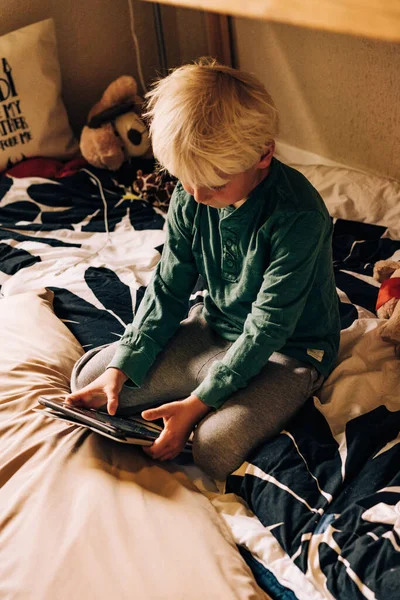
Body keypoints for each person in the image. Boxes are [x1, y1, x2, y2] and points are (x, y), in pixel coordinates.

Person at [66, 59, 340, 481]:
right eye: (185, 179)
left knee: (214, 449)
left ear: (263, 154)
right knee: (93, 379)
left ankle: (208, 402)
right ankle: (191, 390)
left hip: (288, 351)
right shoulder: (191, 193)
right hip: (213, 328)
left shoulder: (299, 216)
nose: (195, 194)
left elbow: (269, 328)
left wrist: (199, 402)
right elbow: (168, 286)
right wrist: (125, 365)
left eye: (214, 183)